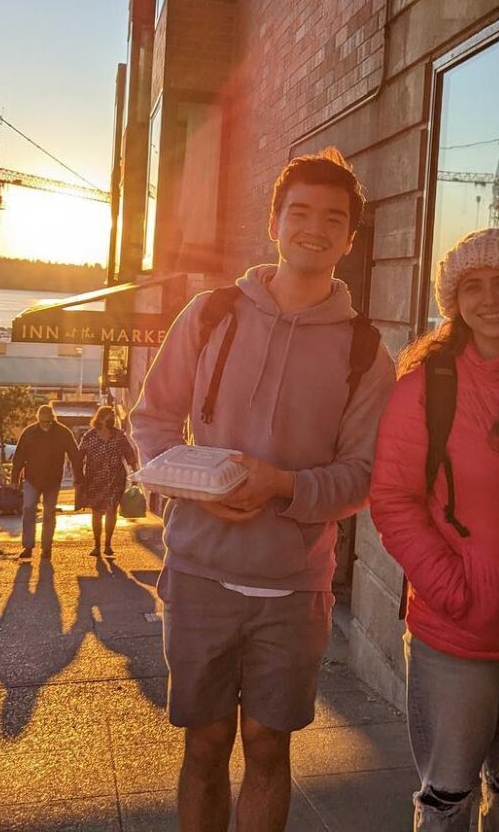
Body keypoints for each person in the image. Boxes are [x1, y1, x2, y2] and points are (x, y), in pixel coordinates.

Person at [130, 148, 395, 832]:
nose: (315, 227)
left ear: (350, 239)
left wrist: (283, 486)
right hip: (198, 574)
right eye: (299, 212)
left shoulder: (365, 351)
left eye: (333, 219)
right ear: (274, 222)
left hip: (293, 587)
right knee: (205, 742)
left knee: (268, 748)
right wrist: (191, 490)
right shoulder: (212, 314)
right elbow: (153, 419)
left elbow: (362, 476)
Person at [370, 227, 499, 832]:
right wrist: (454, 589)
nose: (490, 298)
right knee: (447, 797)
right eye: (472, 286)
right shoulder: (426, 387)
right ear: (454, 301)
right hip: (458, 630)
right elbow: (394, 500)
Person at [11, 404, 83, 561]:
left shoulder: (63, 433)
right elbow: (19, 456)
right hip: (32, 478)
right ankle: (28, 546)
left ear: (53, 419)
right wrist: (14, 477)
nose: (46, 425)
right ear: (38, 420)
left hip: (52, 480)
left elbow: (75, 455)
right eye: (43, 422)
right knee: (29, 509)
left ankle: (46, 548)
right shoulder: (29, 433)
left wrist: (79, 477)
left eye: (48, 422)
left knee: (49, 513)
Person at [76, 404, 139, 559]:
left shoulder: (118, 435)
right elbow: (79, 456)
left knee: (111, 510)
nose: (110, 417)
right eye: (107, 415)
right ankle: (96, 545)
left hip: (115, 479)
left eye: (112, 415)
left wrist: (135, 472)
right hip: (94, 479)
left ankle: (108, 545)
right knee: (97, 512)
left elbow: (129, 454)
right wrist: (79, 477)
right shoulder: (90, 436)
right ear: (100, 417)